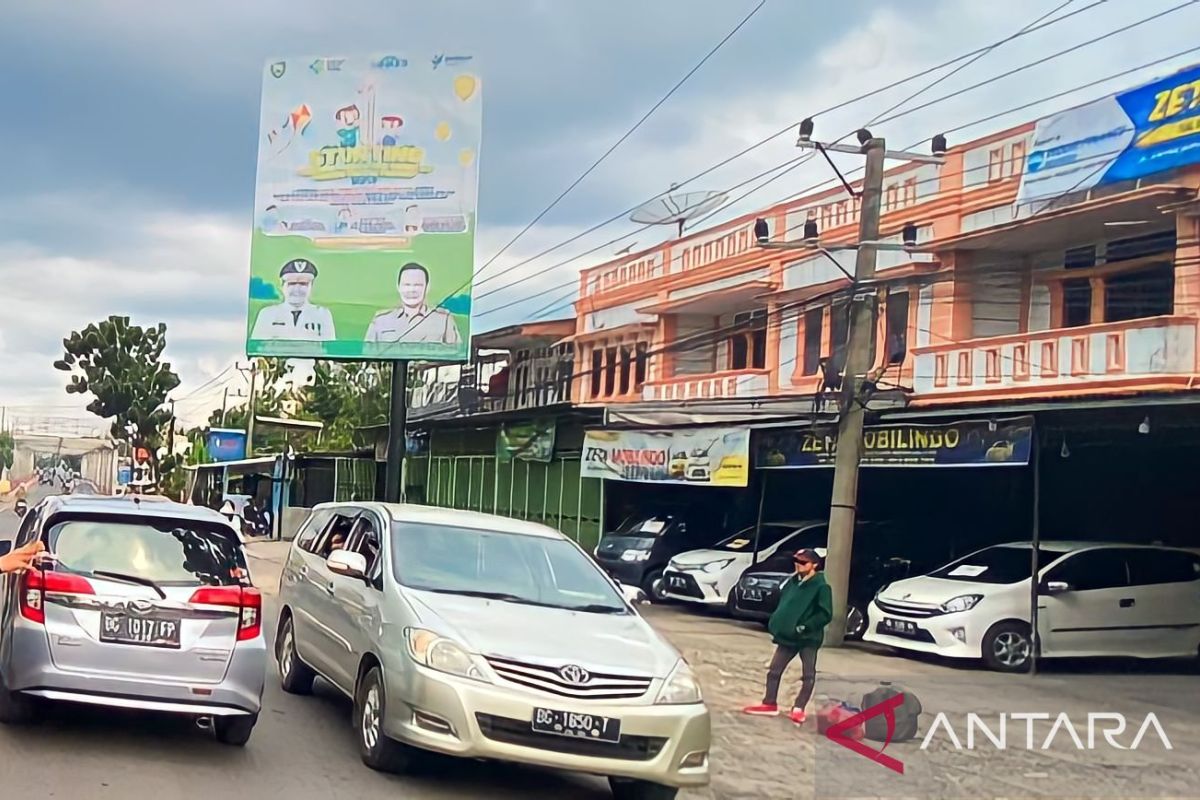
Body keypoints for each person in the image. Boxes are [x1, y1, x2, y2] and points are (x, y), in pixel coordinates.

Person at [742, 548, 833, 725]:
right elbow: (784, 604)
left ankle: (799, 707)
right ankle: (769, 703)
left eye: (803, 562)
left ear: (814, 565)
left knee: (808, 674)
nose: (798, 565)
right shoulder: (792, 582)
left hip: (808, 638)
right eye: (797, 561)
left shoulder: (822, 587)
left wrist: (805, 627)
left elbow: (825, 614)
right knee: (774, 670)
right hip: (788, 636)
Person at [364, 262, 461, 346]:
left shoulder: (444, 320)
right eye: (407, 285)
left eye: (417, 285)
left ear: (427, 288)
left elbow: (456, 355)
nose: (412, 290)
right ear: (399, 287)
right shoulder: (381, 320)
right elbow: (367, 356)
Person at [249, 258, 336, 342]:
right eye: (292, 284)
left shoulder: (322, 314)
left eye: (303, 284)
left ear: (311, 286)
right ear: (282, 286)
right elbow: (258, 350)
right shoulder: (267, 314)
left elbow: (329, 351)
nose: (297, 289)